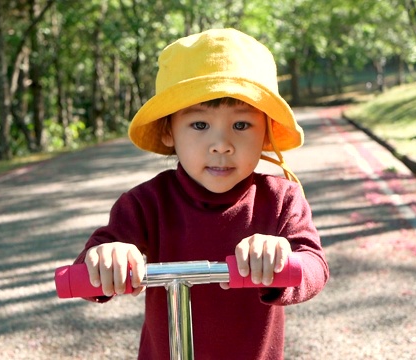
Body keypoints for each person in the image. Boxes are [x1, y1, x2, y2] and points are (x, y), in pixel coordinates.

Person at [72, 28, 329, 359]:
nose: (221, 145)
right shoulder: (146, 204)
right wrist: (108, 257)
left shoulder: (282, 199)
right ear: (168, 131)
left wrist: (283, 258)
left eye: (241, 125)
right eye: (199, 125)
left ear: (266, 133)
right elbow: (87, 269)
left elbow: (314, 267)